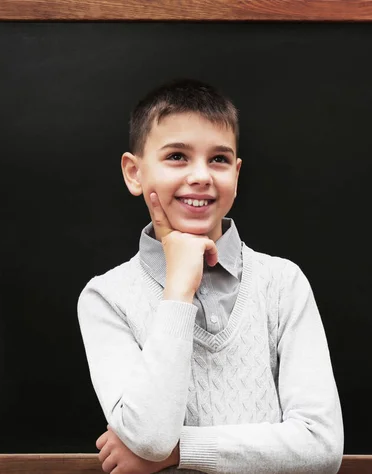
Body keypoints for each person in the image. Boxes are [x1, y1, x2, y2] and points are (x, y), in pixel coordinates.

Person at [77, 79, 344, 474]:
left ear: (236, 174)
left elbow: (321, 447)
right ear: (134, 173)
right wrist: (179, 287)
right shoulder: (106, 297)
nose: (201, 175)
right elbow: (150, 436)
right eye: (177, 157)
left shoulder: (283, 282)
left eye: (218, 159)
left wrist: (180, 451)